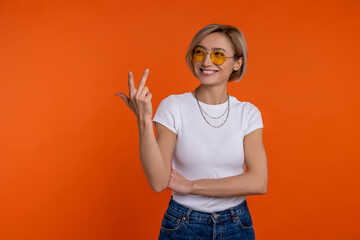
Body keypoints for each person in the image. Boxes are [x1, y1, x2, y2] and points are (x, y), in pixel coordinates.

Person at [116, 23, 268, 240]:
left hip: (237, 224)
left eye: (218, 55)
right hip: (183, 224)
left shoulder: (248, 113)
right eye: (200, 52)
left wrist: (191, 186)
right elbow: (158, 182)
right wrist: (143, 120)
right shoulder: (173, 106)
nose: (206, 61)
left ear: (237, 63)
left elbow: (258, 182)